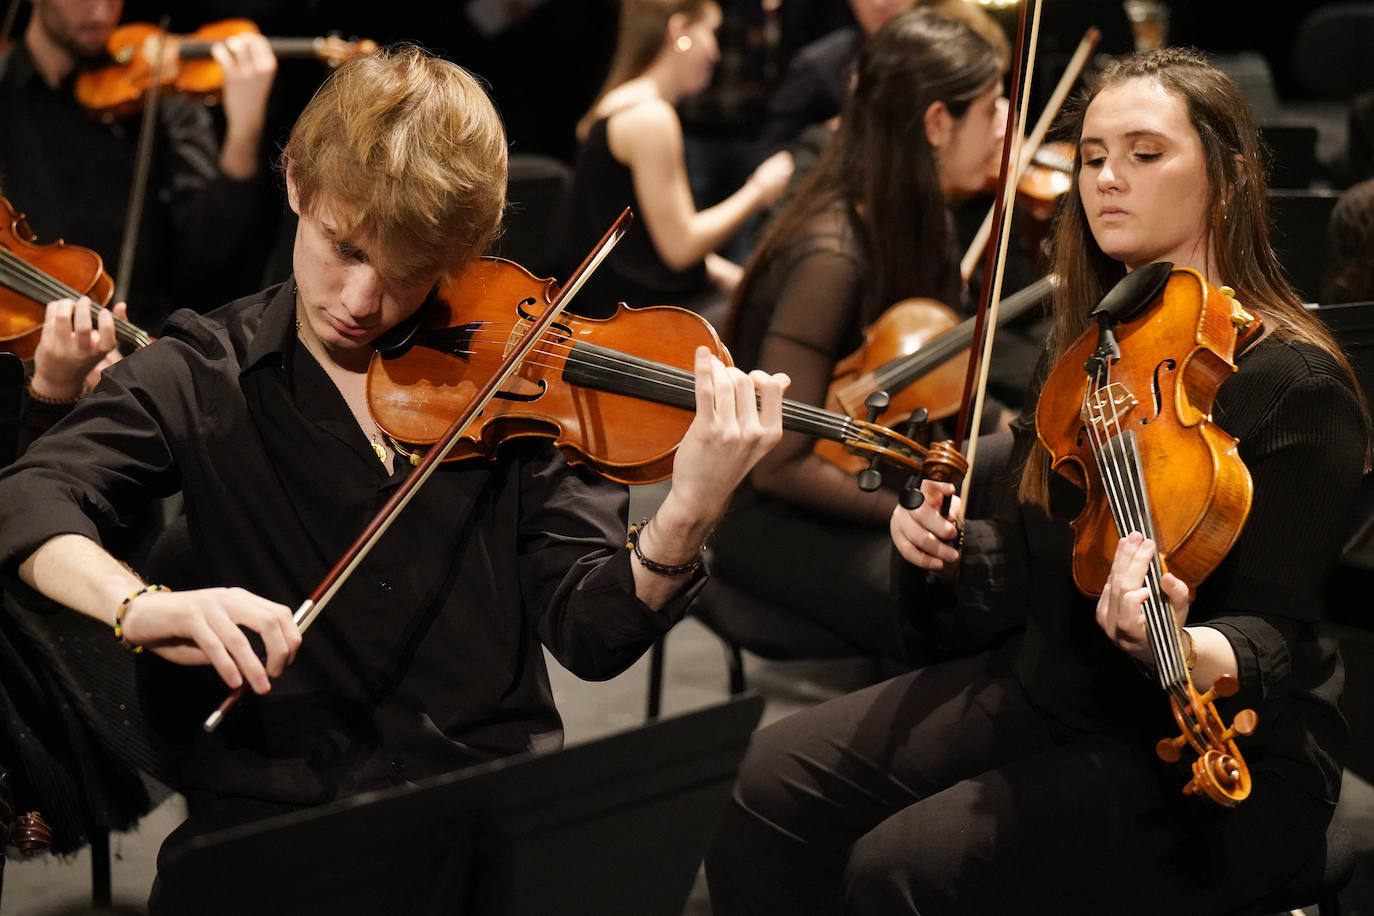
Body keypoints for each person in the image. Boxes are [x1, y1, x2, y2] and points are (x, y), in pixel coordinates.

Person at [0, 44, 788, 911]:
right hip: (279, 833)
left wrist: (688, 513)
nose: (362, 300)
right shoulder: (204, 369)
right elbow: (30, 499)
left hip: (484, 818)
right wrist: (139, 606)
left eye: (408, 268)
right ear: (296, 185)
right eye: (344, 248)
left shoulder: (519, 377)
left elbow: (592, 636)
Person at [705, 45, 1370, 915]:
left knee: (904, 867)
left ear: (1232, 177)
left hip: (1227, 746)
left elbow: (1275, 630)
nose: (1106, 179)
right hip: (1060, 682)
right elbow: (1037, 548)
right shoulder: (1095, 350)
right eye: (1092, 157)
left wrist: (1178, 645)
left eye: (1144, 153)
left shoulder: (1299, 386)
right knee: (769, 781)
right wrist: (945, 545)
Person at [710, 8, 1009, 665]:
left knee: (1011, 564)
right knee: (958, 604)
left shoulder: (923, 223)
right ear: (937, 124)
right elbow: (779, 466)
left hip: (871, 476)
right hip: (772, 514)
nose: (1005, 126)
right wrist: (912, 508)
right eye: (992, 107)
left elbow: (943, 383)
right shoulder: (832, 256)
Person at [0, 0, 277, 332]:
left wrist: (243, 134)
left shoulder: (155, 91)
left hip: (135, 340)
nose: (102, 13)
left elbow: (209, 250)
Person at [559, 0, 794, 322]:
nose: (716, 53)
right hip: (638, 317)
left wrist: (740, 280)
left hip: (632, 303)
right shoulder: (649, 117)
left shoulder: (624, 105)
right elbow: (680, 249)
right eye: (712, 33)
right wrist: (759, 190)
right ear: (680, 30)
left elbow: (647, 249)